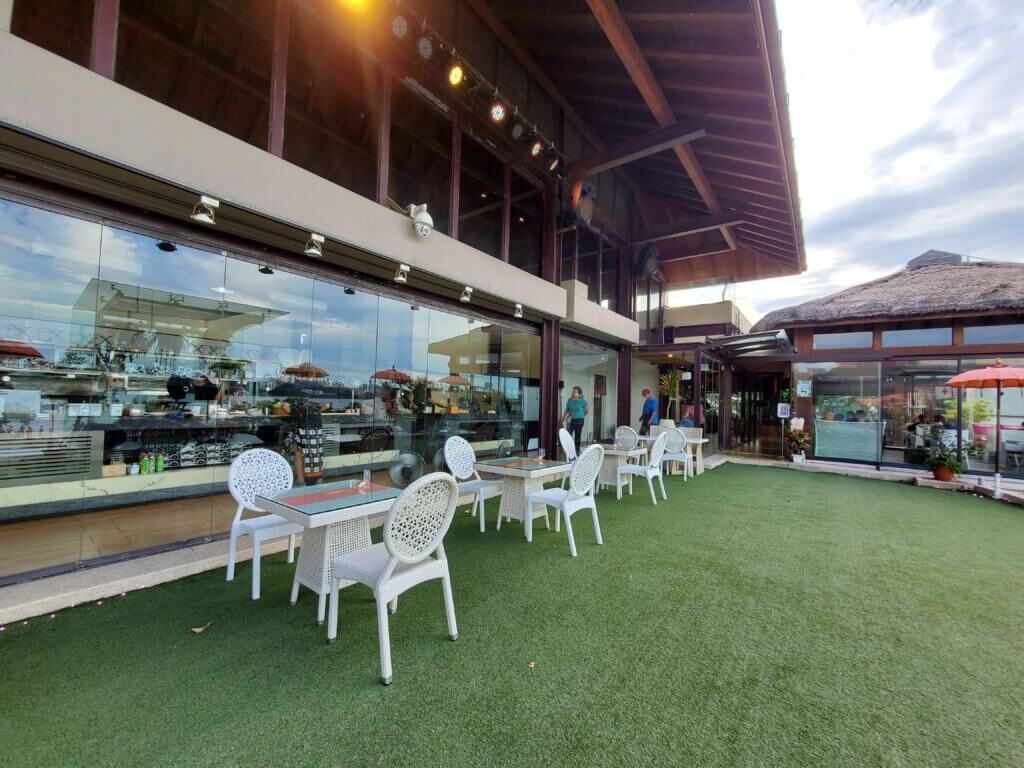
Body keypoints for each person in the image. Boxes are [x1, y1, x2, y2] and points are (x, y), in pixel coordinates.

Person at [561, 386, 588, 451]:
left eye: (574, 391)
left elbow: (587, 410)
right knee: (568, 434)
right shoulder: (570, 400)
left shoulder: (583, 401)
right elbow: (567, 409)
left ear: (579, 393)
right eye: (572, 391)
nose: (572, 392)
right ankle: (568, 449)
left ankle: (577, 449)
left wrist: (581, 415)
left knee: (577, 435)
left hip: (580, 420)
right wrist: (563, 418)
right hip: (570, 419)